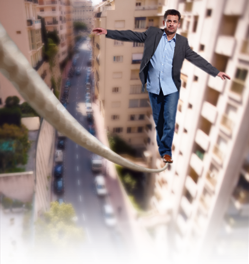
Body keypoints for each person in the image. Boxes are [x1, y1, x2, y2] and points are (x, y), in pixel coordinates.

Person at [92, 9, 230, 164]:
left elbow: (196, 58)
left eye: (174, 21)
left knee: (170, 121)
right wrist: (107, 32)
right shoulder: (153, 34)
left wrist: (216, 72)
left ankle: (165, 152)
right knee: (160, 121)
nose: (171, 24)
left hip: (171, 88)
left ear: (178, 24)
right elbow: (132, 35)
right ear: (165, 22)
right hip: (154, 86)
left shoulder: (182, 43)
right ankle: (162, 148)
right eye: (169, 21)